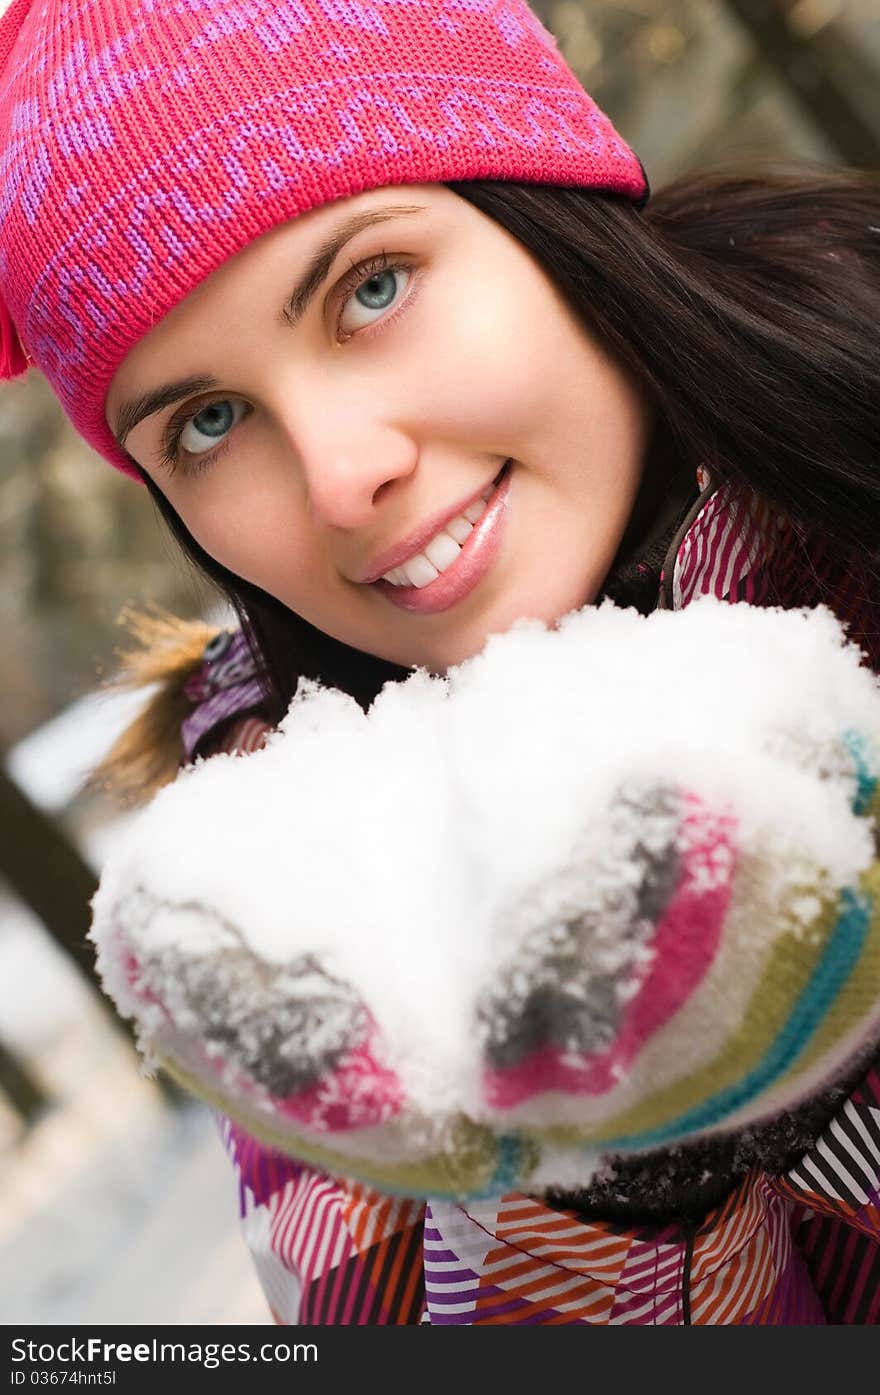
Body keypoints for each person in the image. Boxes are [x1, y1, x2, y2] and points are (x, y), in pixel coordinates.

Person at [2, 0, 878, 1326]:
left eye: (373, 286)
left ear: (543, 208)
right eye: (212, 420)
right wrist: (619, 1175)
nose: (344, 480)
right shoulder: (297, 898)